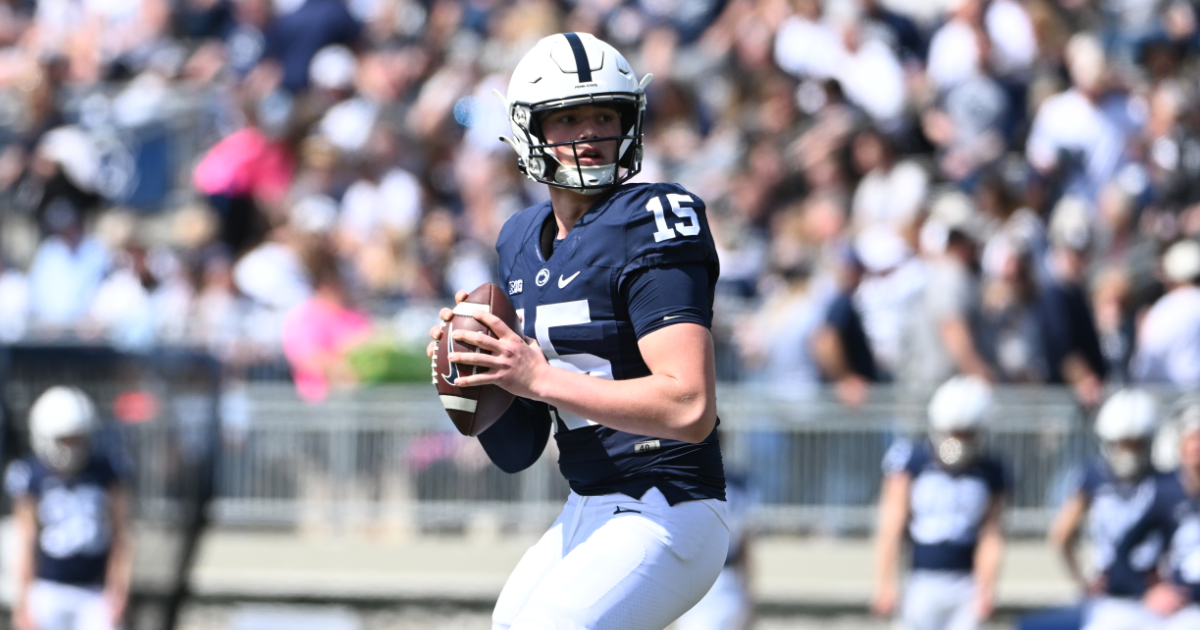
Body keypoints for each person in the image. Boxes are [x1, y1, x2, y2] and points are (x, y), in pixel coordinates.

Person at [426, 33, 728, 629]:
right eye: (567, 118)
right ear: (527, 131)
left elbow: (689, 404)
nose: (590, 133)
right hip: (588, 501)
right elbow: (519, 447)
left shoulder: (653, 219)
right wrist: (478, 365)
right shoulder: (519, 238)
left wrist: (535, 375)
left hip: (668, 504)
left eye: (604, 115)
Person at [1021, 389, 1167, 630]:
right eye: (1121, 444)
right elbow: (1061, 535)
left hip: (1151, 593)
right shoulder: (1095, 477)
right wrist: (1083, 581)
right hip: (1109, 592)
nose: (1127, 453)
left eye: (1134, 444)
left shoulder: (1164, 483)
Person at [872, 375, 1009, 630]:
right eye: (952, 433)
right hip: (920, 580)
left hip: (965, 583)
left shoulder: (990, 471)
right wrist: (885, 584)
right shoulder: (912, 460)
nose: (957, 442)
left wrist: (987, 588)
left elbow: (991, 533)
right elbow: (892, 524)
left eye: (965, 434)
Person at [4, 387, 132, 630]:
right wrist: (22, 601)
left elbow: (120, 534)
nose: (71, 447)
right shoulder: (31, 474)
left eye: (78, 438)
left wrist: (118, 591)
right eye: (65, 439)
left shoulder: (106, 470)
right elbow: (25, 539)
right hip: (47, 588)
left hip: (94, 591)